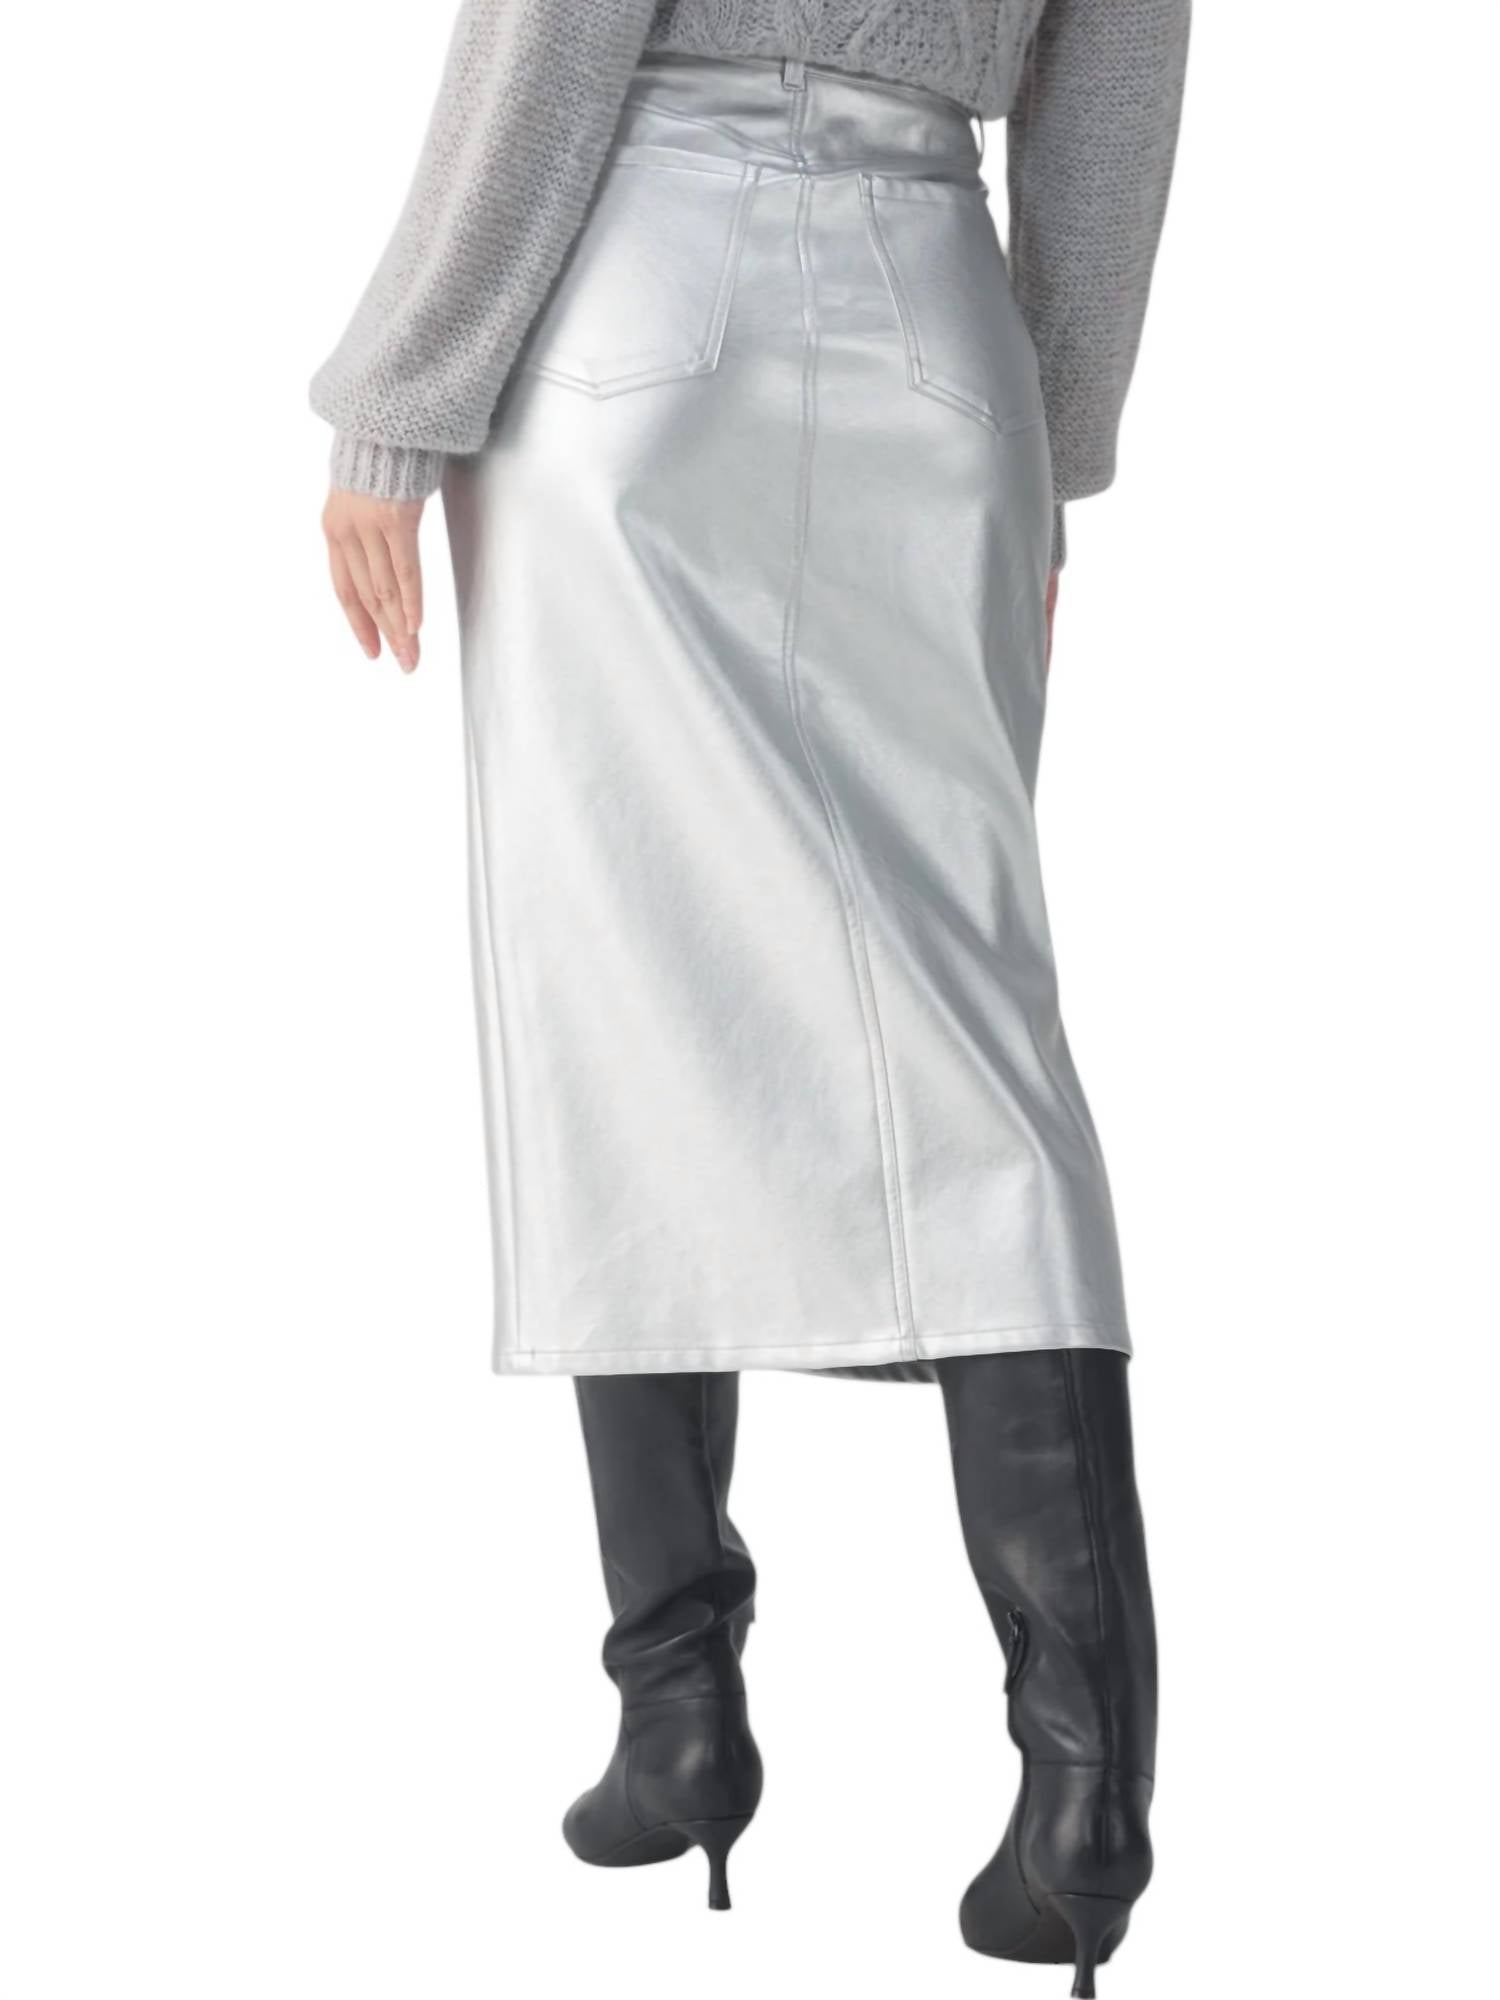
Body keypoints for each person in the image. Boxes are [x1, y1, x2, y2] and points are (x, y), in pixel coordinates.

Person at [310, 5, 1189, 1992]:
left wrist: (399, 389)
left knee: (618, 988)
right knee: (972, 1016)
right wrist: (1048, 431)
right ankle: (1085, 1784)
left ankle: (680, 1710)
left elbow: (558, 26)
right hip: (938, 307)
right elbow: (1120, 71)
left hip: (637, 294)